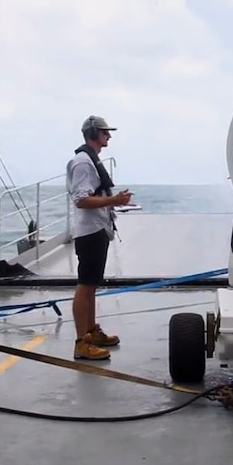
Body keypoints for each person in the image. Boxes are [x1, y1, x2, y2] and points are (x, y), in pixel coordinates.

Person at [66, 115, 133, 360]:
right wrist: (114, 200)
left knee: (92, 285)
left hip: (98, 229)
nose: (109, 136)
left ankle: (92, 332)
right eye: (105, 132)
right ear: (94, 133)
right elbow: (81, 200)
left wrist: (115, 204)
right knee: (85, 286)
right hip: (90, 232)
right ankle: (81, 343)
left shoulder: (90, 160)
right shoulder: (83, 162)